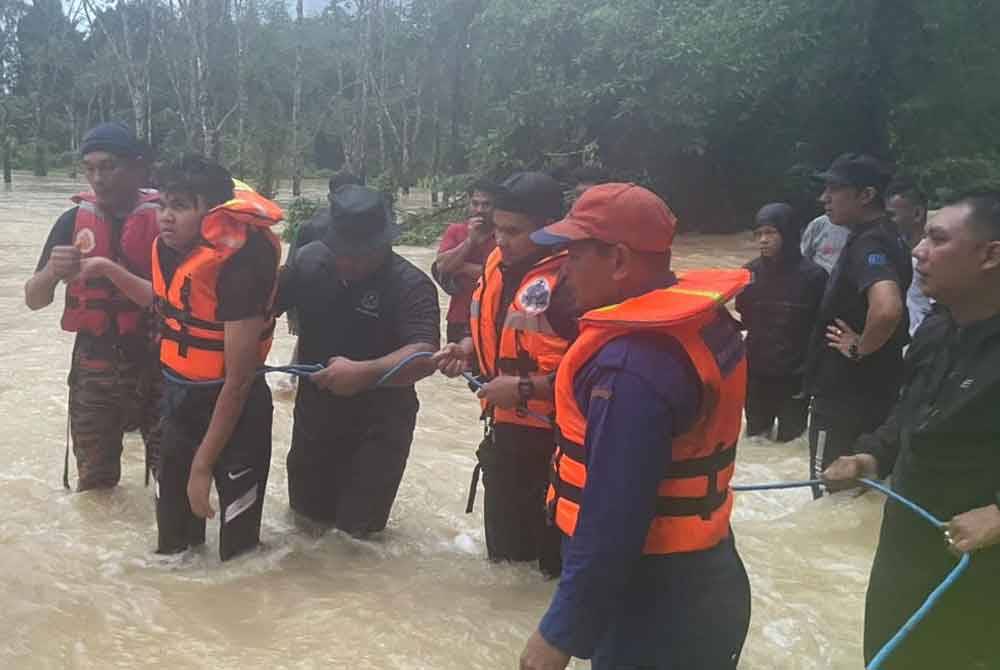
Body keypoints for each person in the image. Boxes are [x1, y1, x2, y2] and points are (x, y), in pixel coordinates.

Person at [519, 183, 752, 670]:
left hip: (653, 607)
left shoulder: (629, 368)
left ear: (620, 260)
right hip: (708, 578)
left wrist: (559, 634)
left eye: (575, 256)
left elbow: (614, 516)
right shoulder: (705, 323)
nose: (563, 272)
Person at [823, 191, 1000, 669]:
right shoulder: (937, 330)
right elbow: (910, 415)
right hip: (906, 547)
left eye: (937, 239)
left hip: (981, 569)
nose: (918, 251)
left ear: (990, 255)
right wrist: (871, 456)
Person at [277, 184, 439, 538]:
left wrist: (365, 373)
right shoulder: (310, 265)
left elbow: (424, 354)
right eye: (341, 251)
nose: (347, 262)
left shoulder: (410, 284)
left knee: (357, 540)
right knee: (304, 530)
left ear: (384, 244)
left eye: (359, 254)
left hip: (379, 427)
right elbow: (255, 309)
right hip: (314, 421)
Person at [434, 172, 572, 577]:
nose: (501, 240)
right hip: (506, 434)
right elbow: (496, 329)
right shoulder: (497, 263)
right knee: (507, 566)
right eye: (498, 229)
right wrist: (466, 348)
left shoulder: (574, 280)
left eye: (514, 232)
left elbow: (600, 376)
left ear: (549, 228)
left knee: (550, 569)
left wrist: (525, 387)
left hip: (559, 443)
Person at [24, 122, 162, 491]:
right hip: (95, 366)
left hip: (160, 364)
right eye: (90, 168)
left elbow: (181, 301)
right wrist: (53, 271)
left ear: (137, 168)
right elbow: (34, 300)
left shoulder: (167, 219)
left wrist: (107, 269)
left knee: (171, 480)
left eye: (109, 166)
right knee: (95, 486)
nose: (98, 178)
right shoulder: (72, 221)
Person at [804, 153, 911, 498]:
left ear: (866, 195)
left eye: (834, 189)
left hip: (843, 392)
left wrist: (858, 347)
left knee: (827, 488)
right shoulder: (890, 235)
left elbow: (887, 309)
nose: (824, 198)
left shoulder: (869, 242)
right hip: (877, 388)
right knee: (859, 486)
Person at [736, 203, 827, 441]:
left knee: (791, 440)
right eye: (759, 234)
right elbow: (744, 316)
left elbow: (822, 327)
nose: (763, 240)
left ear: (789, 233)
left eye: (770, 233)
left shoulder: (814, 277)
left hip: (796, 376)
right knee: (756, 439)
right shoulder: (749, 274)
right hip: (757, 372)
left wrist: (814, 372)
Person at [431, 178, 498, 343]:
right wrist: (470, 241)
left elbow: (502, 274)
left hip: (493, 316)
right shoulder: (455, 231)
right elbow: (442, 267)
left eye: (486, 204)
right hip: (459, 316)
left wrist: (461, 267)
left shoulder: (503, 234)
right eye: (475, 204)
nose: (479, 210)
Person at [885, 177, 934, 335]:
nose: (885, 222)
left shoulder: (934, 258)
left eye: (891, 215)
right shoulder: (893, 252)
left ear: (917, 214)